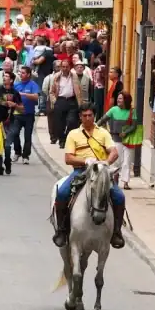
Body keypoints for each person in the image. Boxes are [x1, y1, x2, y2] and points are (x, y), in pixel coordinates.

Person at [51, 102, 126, 250]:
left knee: (119, 196)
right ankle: (61, 230)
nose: (87, 118)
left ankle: (116, 231)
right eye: (84, 116)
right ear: (80, 117)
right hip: (81, 171)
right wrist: (85, 161)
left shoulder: (103, 133)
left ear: (94, 116)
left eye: (90, 115)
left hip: (101, 171)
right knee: (62, 193)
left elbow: (114, 152)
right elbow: (68, 158)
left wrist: (105, 163)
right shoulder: (73, 134)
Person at [99, 91, 141, 189]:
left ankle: (126, 182)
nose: (118, 100)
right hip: (116, 139)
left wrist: (126, 132)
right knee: (116, 160)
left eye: (121, 98)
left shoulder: (132, 111)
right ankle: (115, 178)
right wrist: (94, 127)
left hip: (128, 140)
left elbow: (134, 126)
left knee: (127, 161)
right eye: (118, 98)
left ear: (126, 100)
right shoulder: (113, 110)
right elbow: (102, 120)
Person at [0, 70, 22, 176]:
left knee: (7, 145)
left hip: (9, 122)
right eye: (3, 76)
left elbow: (22, 109)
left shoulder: (15, 93)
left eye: (7, 76)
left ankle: (7, 162)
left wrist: (15, 105)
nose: (4, 77)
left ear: (11, 80)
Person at [50, 59, 83, 149]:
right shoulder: (56, 77)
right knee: (59, 124)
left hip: (72, 101)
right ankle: (62, 140)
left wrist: (80, 102)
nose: (65, 68)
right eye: (63, 67)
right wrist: (54, 101)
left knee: (72, 121)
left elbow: (79, 89)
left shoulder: (74, 76)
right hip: (60, 101)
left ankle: (67, 137)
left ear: (70, 67)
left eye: (66, 67)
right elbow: (51, 92)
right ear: (60, 67)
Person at [10, 65, 39, 165]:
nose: (20, 74)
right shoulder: (16, 85)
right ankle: (17, 152)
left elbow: (36, 97)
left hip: (29, 114)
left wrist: (24, 94)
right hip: (17, 114)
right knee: (14, 133)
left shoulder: (33, 84)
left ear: (28, 74)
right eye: (20, 72)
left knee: (28, 136)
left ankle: (26, 155)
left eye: (23, 73)